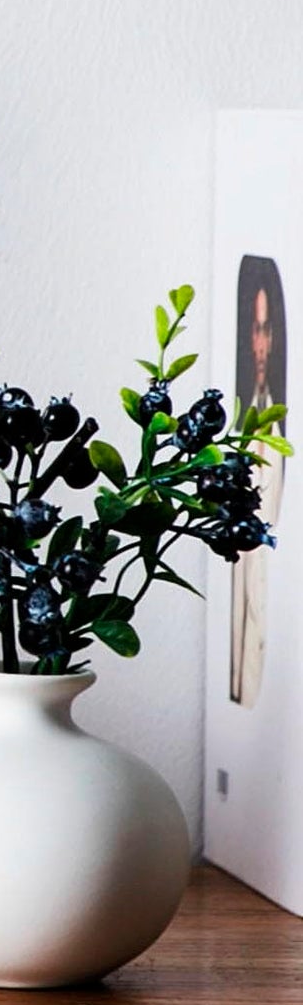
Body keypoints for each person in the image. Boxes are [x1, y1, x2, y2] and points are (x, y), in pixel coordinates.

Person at [230, 259, 287, 708]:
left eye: (269, 330)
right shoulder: (234, 432)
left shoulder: (280, 431)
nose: (262, 343)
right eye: (256, 328)